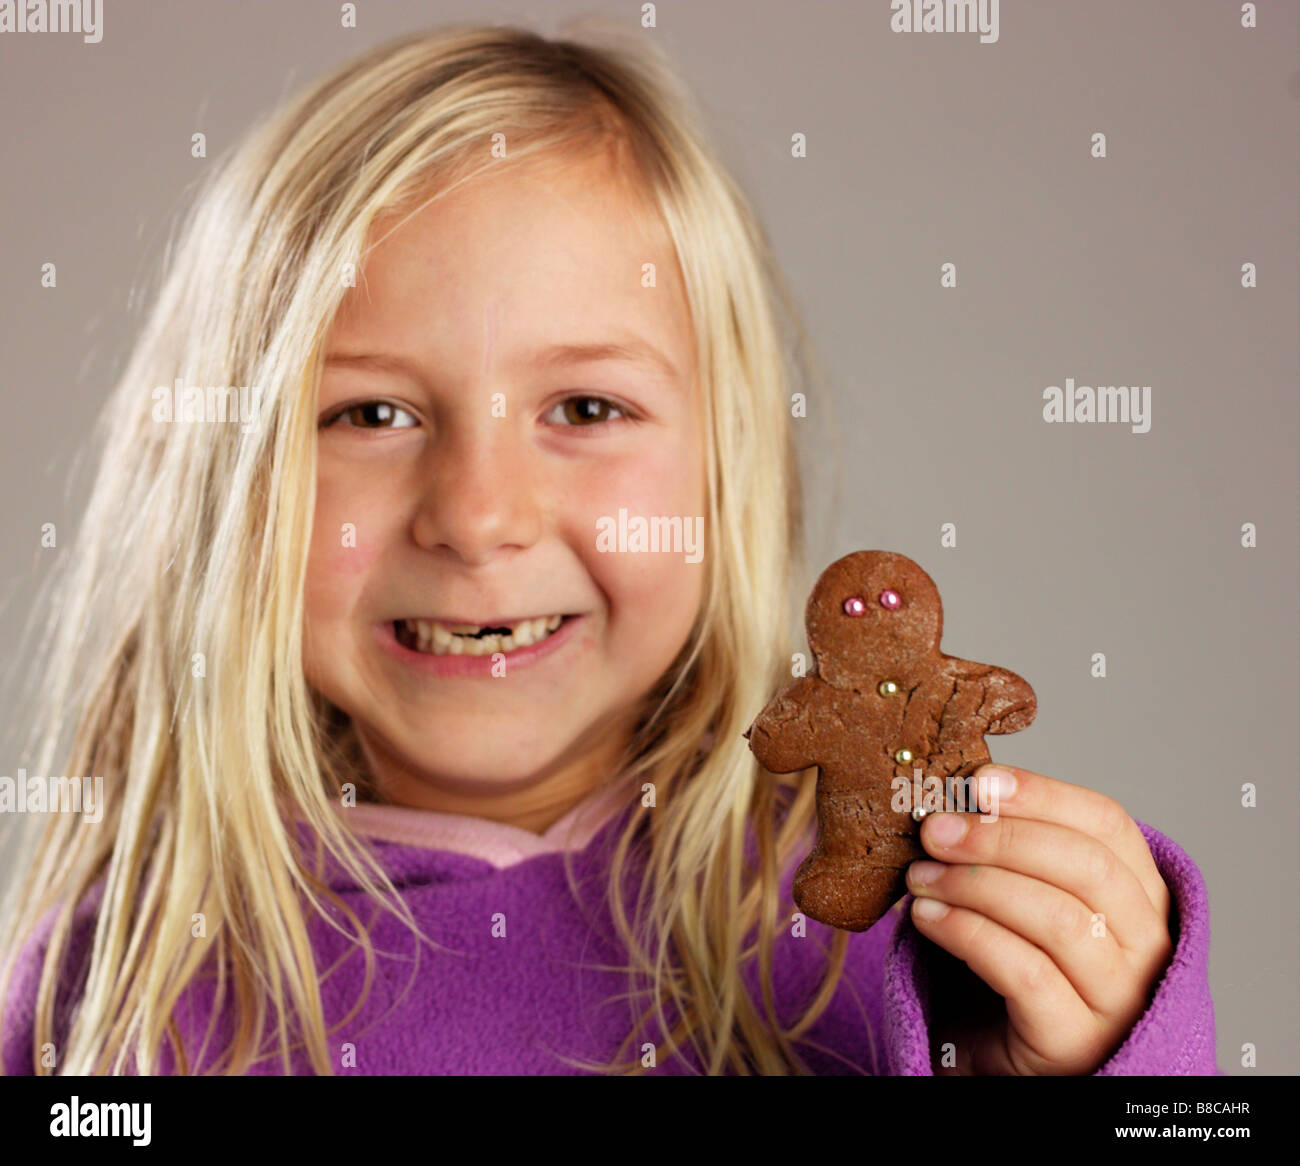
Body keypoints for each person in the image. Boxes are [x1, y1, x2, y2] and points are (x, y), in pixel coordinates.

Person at [0, 23, 1218, 1075]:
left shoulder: (894, 927)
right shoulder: (116, 989)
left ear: (724, 461)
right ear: (231, 477)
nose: (479, 517)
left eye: (584, 409)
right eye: (369, 413)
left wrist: (1105, 1048)